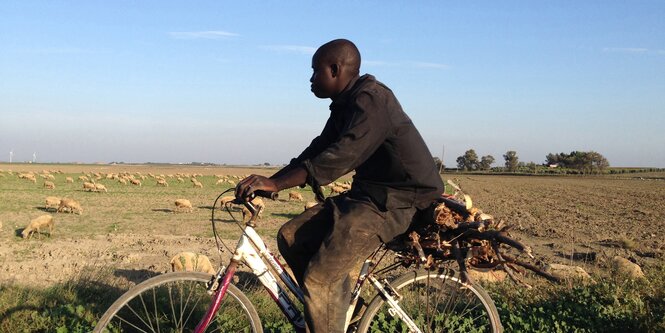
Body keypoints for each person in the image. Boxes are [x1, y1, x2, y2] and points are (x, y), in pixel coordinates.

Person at [236, 38, 444, 332]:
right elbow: (319, 148)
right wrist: (270, 182)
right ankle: (341, 316)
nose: (310, 78)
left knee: (322, 278)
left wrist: (278, 183)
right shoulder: (346, 104)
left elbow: (339, 156)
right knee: (291, 237)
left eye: (315, 71)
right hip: (369, 195)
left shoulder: (372, 100)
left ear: (335, 69)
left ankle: (330, 315)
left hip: (399, 200)